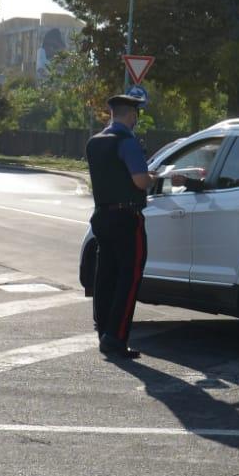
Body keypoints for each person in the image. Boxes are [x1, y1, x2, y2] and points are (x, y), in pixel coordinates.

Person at [85, 94, 157, 360]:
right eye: (136, 114)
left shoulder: (94, 142)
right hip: (127, 217)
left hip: (102, 215)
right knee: (129, 277)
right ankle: (116, 338)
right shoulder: (127, 142)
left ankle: (104, 331)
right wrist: (154, 177)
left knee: (105, 276)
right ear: (132, 115)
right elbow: (140, 181)